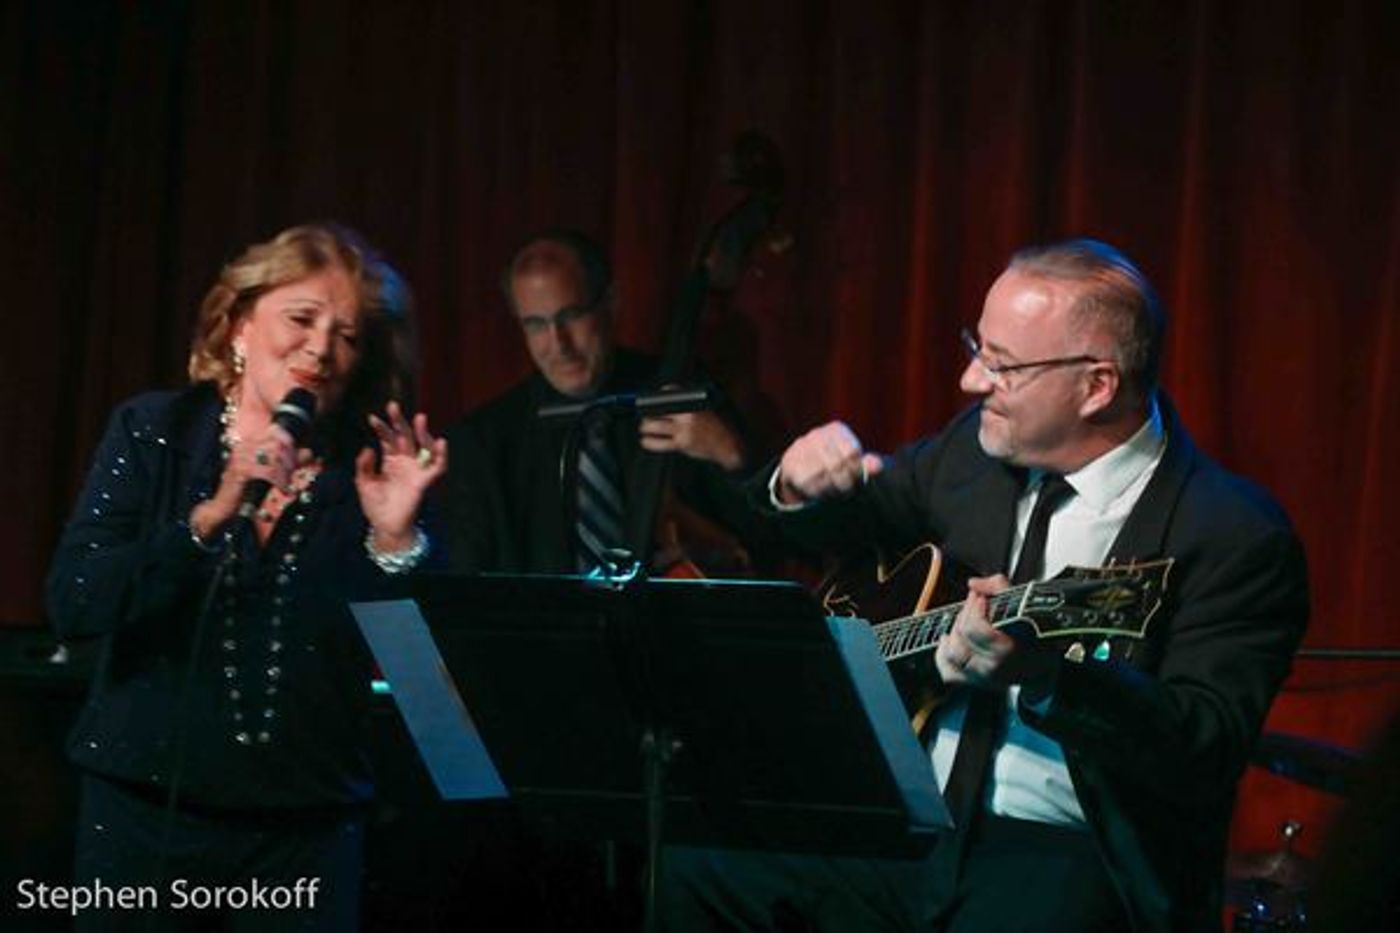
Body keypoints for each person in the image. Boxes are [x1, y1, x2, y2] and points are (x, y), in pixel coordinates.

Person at [663, 238, 1310, 932]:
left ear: (1096, 385)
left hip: (1074, 850)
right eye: (979, 347)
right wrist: (795, 482)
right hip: (920, 822)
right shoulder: (972, 451)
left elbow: (1203, 747)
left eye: (1001, 365)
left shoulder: (1232, 533)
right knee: (693, 866)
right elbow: (841, 523)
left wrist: (1051, 678)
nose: (971, 381)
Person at [45, 223, 447, 931]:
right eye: (301, 318)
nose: (321, 349)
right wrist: (209, 516)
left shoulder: (375, 474)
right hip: (143, 819)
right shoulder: (156, 431)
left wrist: (395, 540)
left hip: (305, 836)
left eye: (347, 336)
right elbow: (76, 601)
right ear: (237, 324)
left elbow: (425, 693)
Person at [443, 227, 763, 575]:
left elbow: (768, 537)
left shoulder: (681, 395)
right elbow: (467, 580)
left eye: (571, 316)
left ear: (610, 303)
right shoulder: (486, 441)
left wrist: (732, 456)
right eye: (536, 324)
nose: (559, 344)